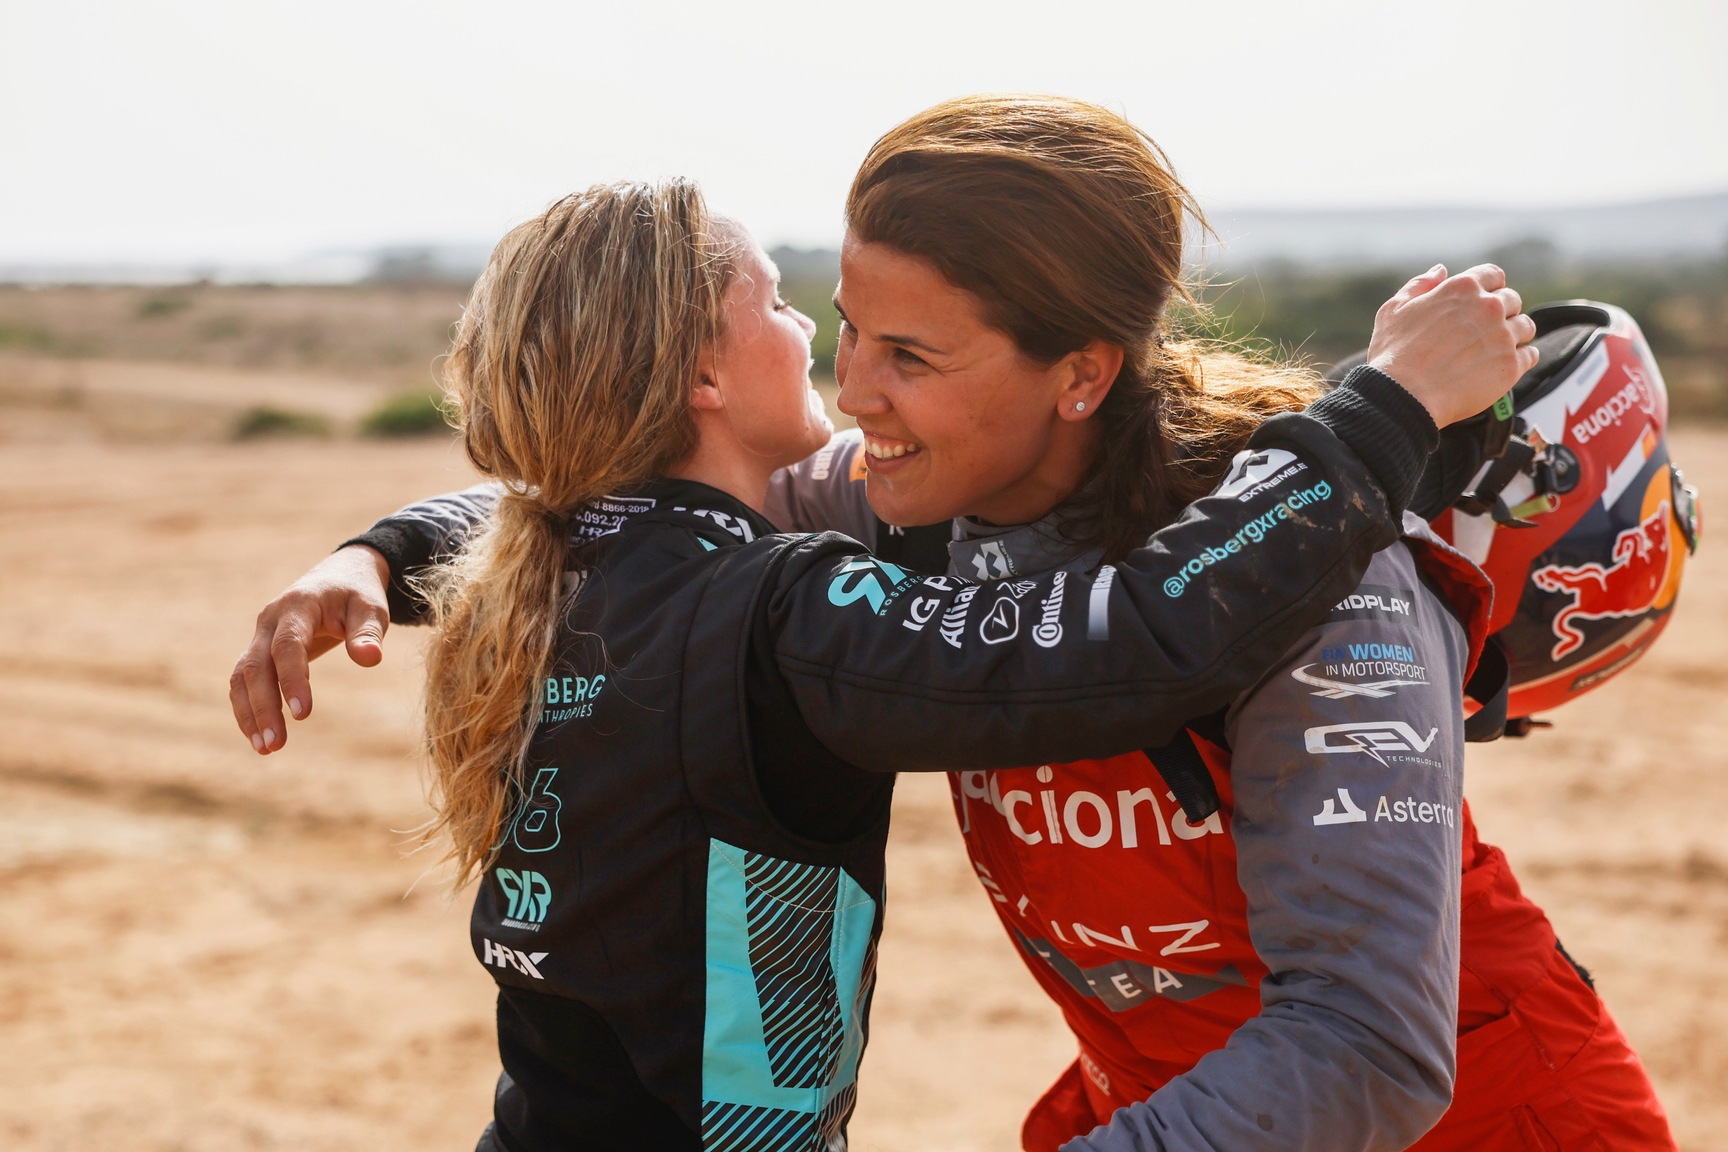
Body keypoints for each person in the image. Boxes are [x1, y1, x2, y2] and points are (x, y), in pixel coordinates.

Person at [232, 111, 1543, 1152]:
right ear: (700, 378)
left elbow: (537, 497)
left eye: (904, 353)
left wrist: (380, 555)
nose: (851, 385)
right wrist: (1388, 413)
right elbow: (1140, 640)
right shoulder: (785, 587)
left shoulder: (614, 555)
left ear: (1083, 370)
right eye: (824, 325)